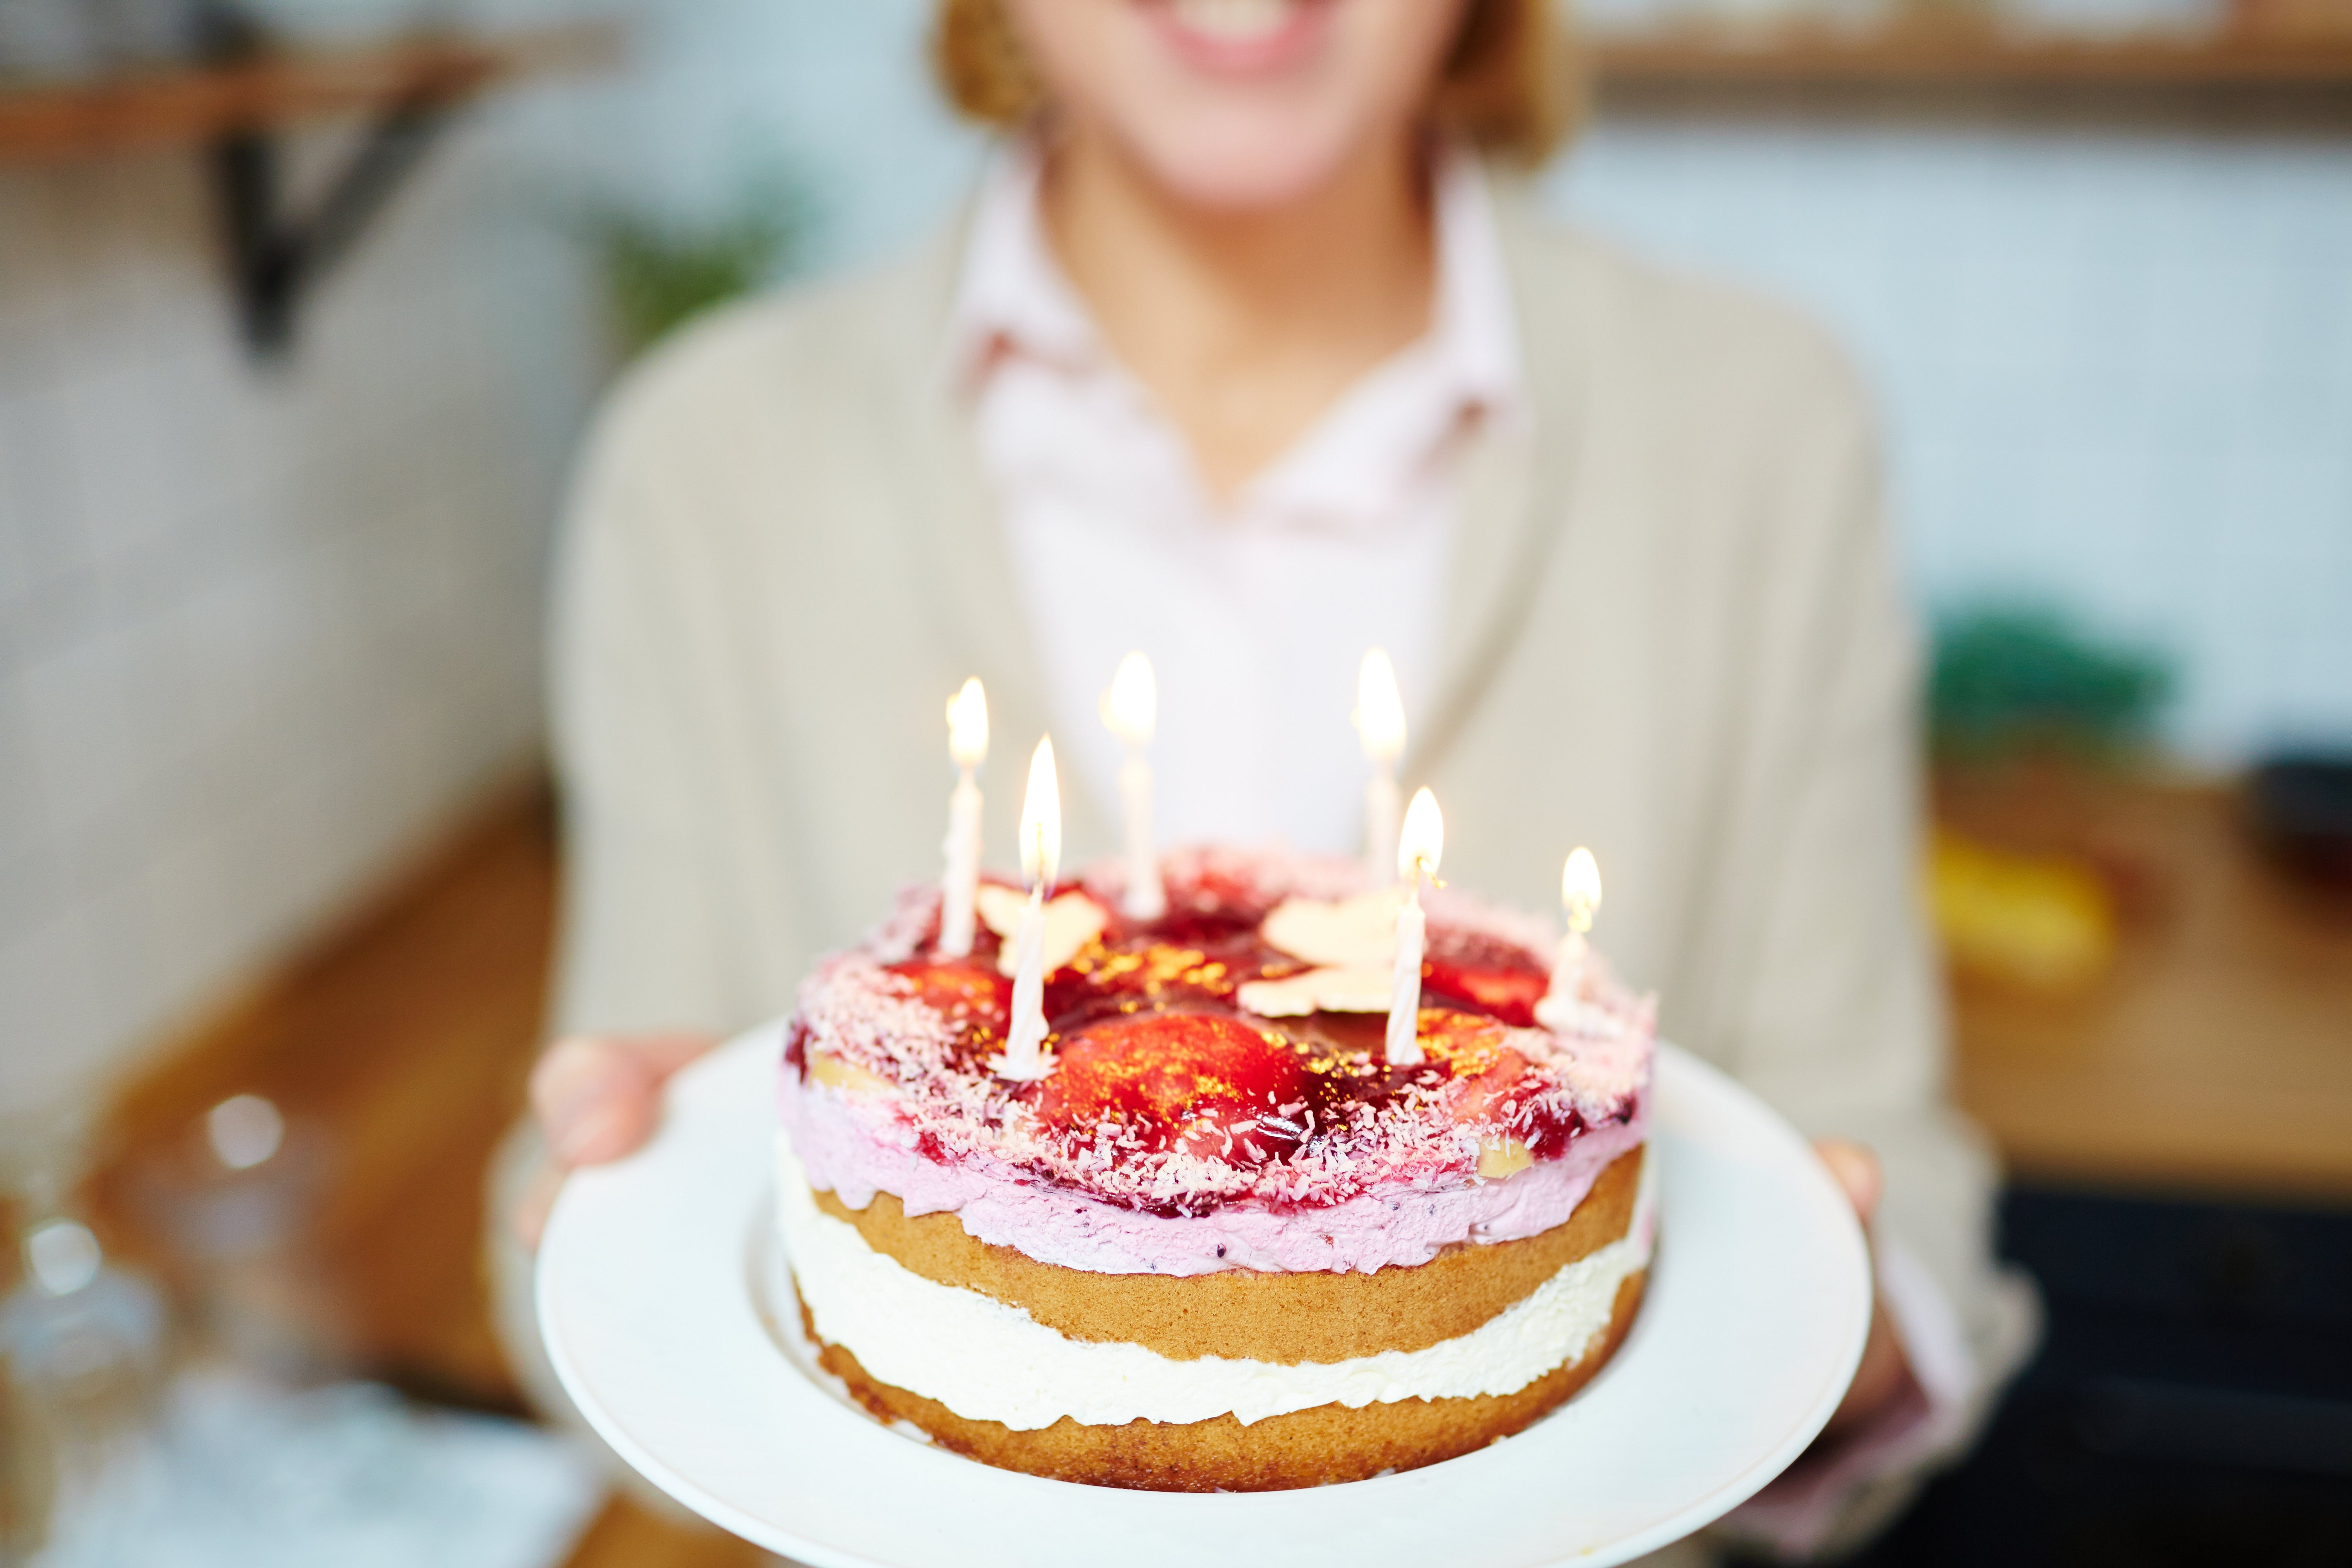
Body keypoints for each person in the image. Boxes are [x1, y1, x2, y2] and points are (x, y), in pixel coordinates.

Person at [498, 0, 2034, 1558]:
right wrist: (614, 1209)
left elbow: (1899, 1201)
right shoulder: (707, 460)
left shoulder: (1756, 424)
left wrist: (1811, 1323)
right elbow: (568, 1265)